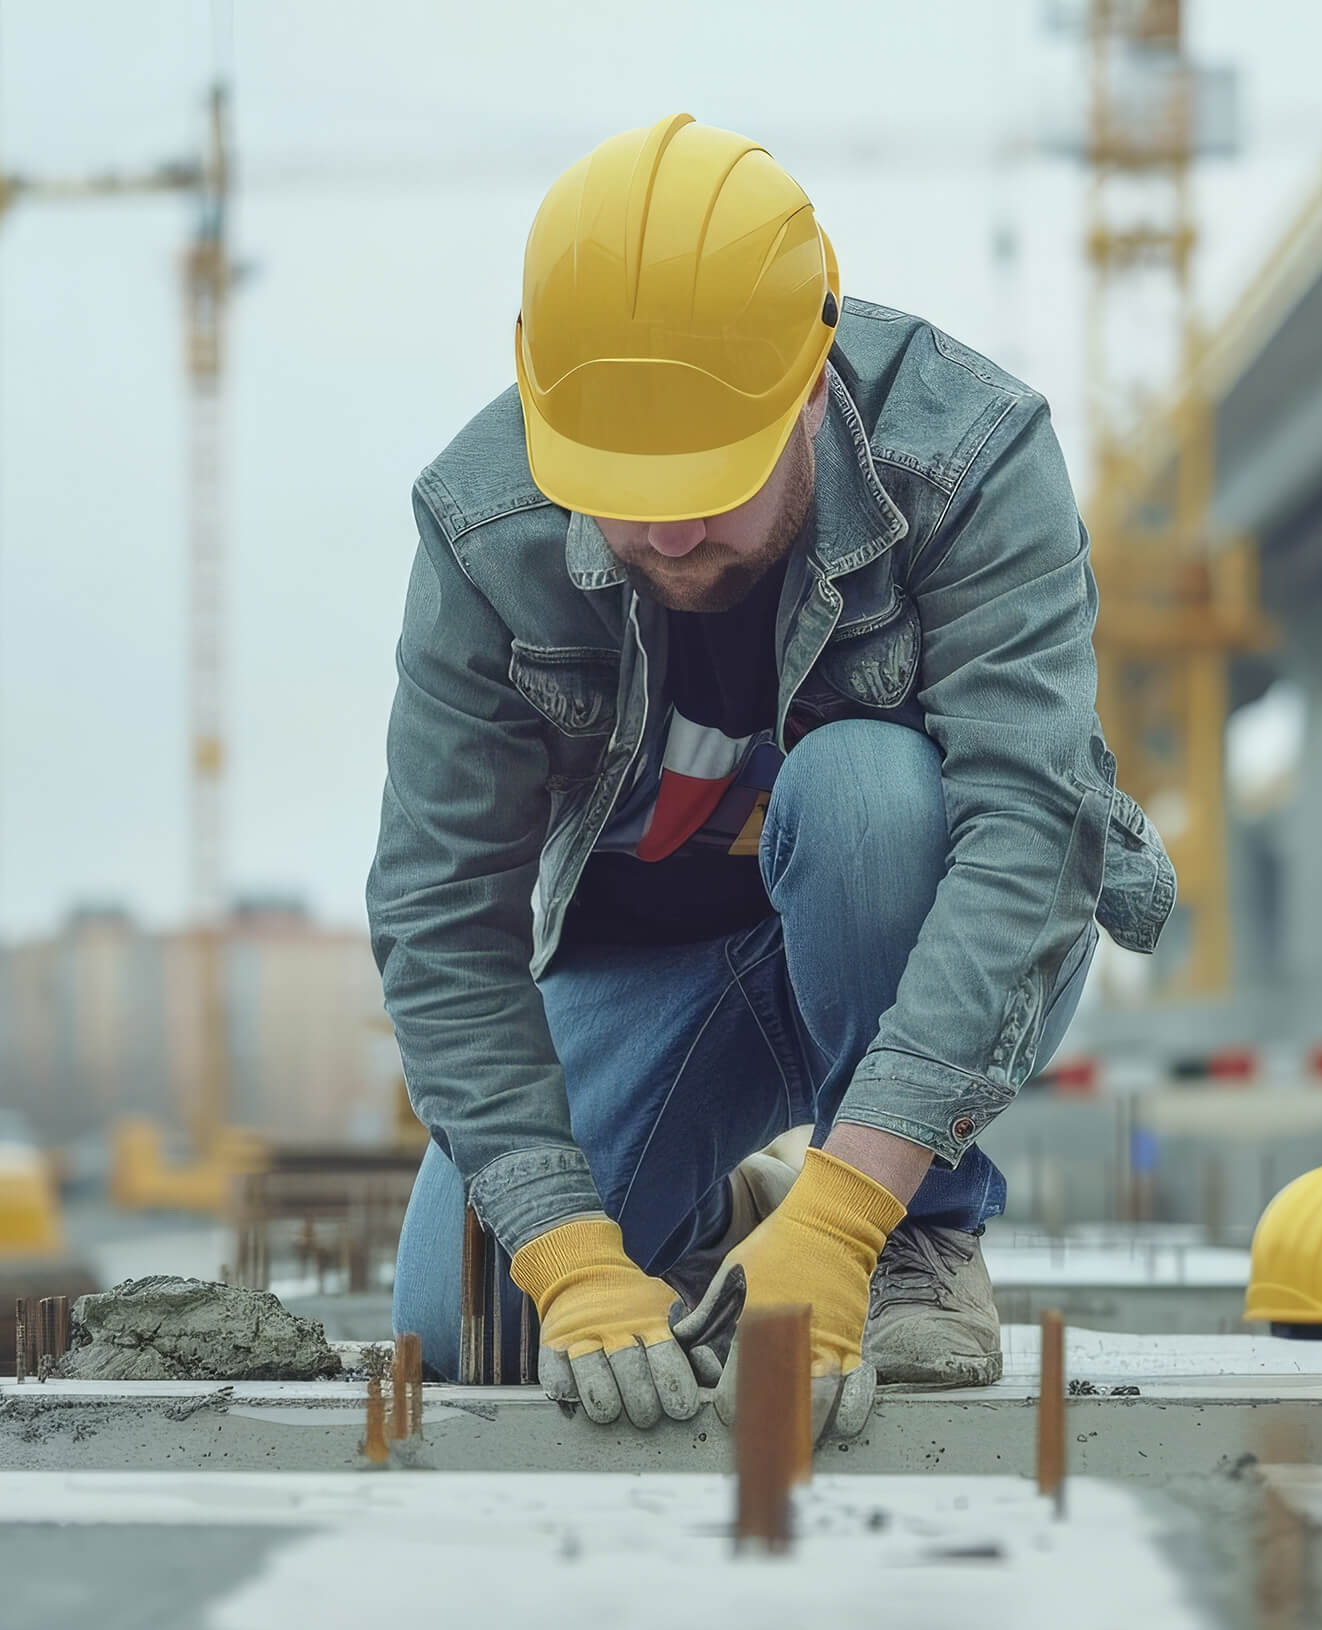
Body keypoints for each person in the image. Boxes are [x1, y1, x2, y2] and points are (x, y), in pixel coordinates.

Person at [368, 112, 1176, 1438]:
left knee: (867, 796)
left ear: (810, 382)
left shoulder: (968, 456)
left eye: (708, 478)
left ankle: (918, 1229)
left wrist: (850, 1216)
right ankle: (741, 1211)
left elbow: (1028, 832)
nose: (670, 528)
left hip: (897, 916)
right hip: (666, 971)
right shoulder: (482, 527)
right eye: (625, 486)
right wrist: (570, 1258)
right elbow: (440, 919)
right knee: (466, 1316)